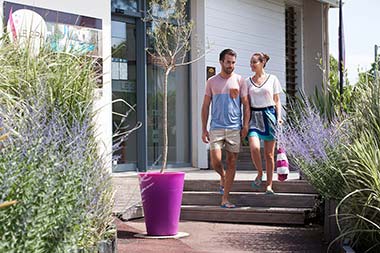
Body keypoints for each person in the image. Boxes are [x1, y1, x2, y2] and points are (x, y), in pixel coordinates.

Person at [201, 49, 250, 208]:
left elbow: (246, 105)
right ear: (221, 62)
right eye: (228, 62)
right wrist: (204, 128)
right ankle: (222, 176)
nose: (231, 65)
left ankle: (225, 198)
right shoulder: (212, 81)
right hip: (216, 127)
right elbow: (205, 106)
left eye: (233, 62)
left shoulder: (240, 80)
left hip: (234, 128)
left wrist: (245, 124)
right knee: (215, 160)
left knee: (232, 162)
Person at [246, 52, 283, 194]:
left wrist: (279, 117)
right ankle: (259, 172)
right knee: (254, 147)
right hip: (254, 116)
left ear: (262, 63)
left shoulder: (272, 79)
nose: (252, 65)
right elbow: (246, 102)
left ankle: (269, 185)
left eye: (254, 62)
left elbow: (277, 100)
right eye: (251, 62)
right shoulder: (248, 81)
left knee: (269, 154)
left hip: (269, 115)